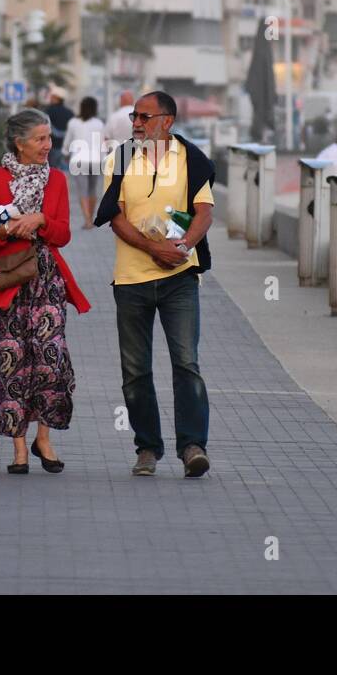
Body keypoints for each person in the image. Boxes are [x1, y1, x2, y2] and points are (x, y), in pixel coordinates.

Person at [0, 109, 91, 474]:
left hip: (46, 280)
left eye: (49, 138)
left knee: (50, 362)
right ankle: (19, 449)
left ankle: (43, 438)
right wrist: (6, 231)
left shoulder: (58, 181)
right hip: (8, 281)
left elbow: (63, 233)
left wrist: (42, 220)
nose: (47, 146)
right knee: (13, 361)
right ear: (19, 143)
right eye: (39, 139)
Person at [95, 90, 216, 478]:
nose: (136, 123)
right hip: (131, 279)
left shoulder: (191, 159)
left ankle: (193, 446)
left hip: (180, 277)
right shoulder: (122, 157)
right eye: (134, 116)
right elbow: (116, 216)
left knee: (186, 364)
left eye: (144, 117)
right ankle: (147, 448)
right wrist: (153, 249)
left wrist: (181, 246)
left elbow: (204, 212)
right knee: (135, 371)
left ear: (167, 121)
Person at [64, 96, 106, 229]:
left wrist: (65, 153)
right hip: (95, 160)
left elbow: (68, 140)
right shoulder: (99, 123)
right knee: (92, 190)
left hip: (78, 160)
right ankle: (91, 218)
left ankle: (87, 220)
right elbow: (102, 144)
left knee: (82, 191)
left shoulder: (73, 122)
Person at [44, 86, 72, 171]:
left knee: (52, 171)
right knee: (64, 171)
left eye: (52, 97)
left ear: (57, 98)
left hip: (52, 146)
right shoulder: (69, 112)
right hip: (67, 147)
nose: (50, 98)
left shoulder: (48, 111)